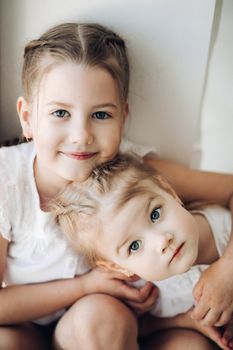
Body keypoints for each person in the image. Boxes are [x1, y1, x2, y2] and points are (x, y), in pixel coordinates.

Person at [0, 21, 233, 350]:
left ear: (123, 116)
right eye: (61, 113)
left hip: (117, 324)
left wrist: (230, 268)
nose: (81, 135)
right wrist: (85, 286)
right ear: (27, 118)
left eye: (100, 115)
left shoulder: (136, 170)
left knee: (169, 340)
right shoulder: (7, 180)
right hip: (26, 324)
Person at [52, 152, 233, 350]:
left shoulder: (223, 228)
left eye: (155, 214)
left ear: (170, 193)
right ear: (118, 266)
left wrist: (228, 268)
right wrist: (189, 321)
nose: (162, 240)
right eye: (134, 246)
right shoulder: (140, 289)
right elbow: (139, 327)